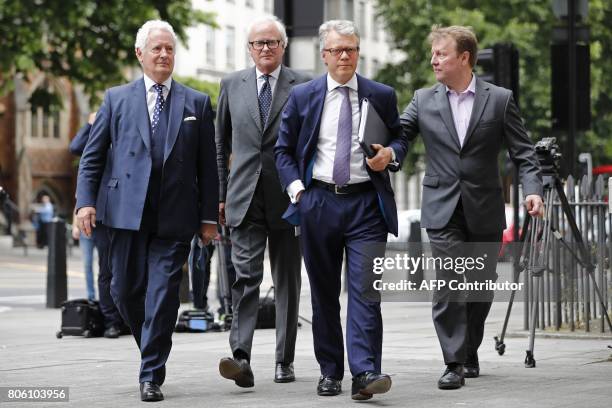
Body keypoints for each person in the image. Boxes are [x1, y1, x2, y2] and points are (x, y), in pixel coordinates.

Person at [75, 20, 218, 402]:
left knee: (162, 296)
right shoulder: (116, 99)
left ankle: (150, 373)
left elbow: (209, 167)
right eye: (156, 48)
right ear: (140, 54)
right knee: (122, 291)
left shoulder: (197, 103)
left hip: (175, 216)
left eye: (169, 48)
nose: (164, 55)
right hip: (123, 214)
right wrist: (84, 203)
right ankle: (151, 346)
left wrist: (208, 218)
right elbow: (91, 158)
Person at [399, 25, 543, 389]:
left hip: (484, 207)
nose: (433, 59)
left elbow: (523, 153)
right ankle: (453, 361)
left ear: (464, 57)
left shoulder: (499, 99)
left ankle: (468, 350)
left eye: (441, 53)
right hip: (441, 206)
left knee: (480, 286)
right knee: (449, 282)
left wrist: (533, 190)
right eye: (433, 53)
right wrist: (385, 153)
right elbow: (399, 136)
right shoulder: (422, 99)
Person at [275, 20, 408, 401]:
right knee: (324, 294)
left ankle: (365, 372)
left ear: (358, 52)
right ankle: (330, 370)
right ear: (324, 55)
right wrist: (298, 191)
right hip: (319, 201)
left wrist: (391, 154)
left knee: (366, 291)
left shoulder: (380, 94)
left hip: (367, 202)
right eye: (337, 50)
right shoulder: (304, 96)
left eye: (350, 49)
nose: (344, 56)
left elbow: (398, 136)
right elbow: (283, 150)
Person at [216, 16, 309, 387]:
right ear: (249, 49)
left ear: (282, 47)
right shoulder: (230, 85)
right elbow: (220, 144)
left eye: (272, 42)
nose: (265, 48)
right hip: (244, 197)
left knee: (288, 282)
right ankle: (241, 357)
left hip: (289, 199)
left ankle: (284, 361)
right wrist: (220, 195)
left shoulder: (303, 84)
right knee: (245, 278)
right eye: (258, 43)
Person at [69, 113, 125, 338]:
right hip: (102, 212)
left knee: (128, 268)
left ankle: (126, 317)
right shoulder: (98, 133)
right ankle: (111, 319)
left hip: (128, 209)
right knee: (106, 269)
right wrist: (90, 124)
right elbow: (75, 148)